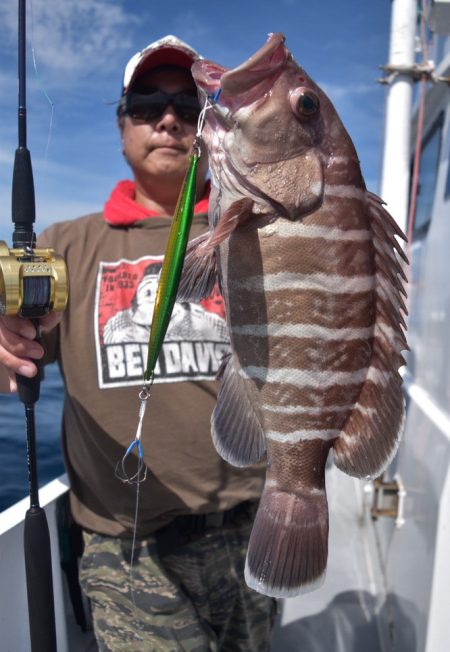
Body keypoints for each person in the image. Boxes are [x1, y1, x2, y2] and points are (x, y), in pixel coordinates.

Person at [0, 36, 276, 651]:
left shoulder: (260, 232)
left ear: (212, 127)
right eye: (148, 104)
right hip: (126, 548)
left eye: (188, 105)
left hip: (254, 525)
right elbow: (10, 348)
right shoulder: (64, 244)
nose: (169, 119)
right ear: (123, 125)